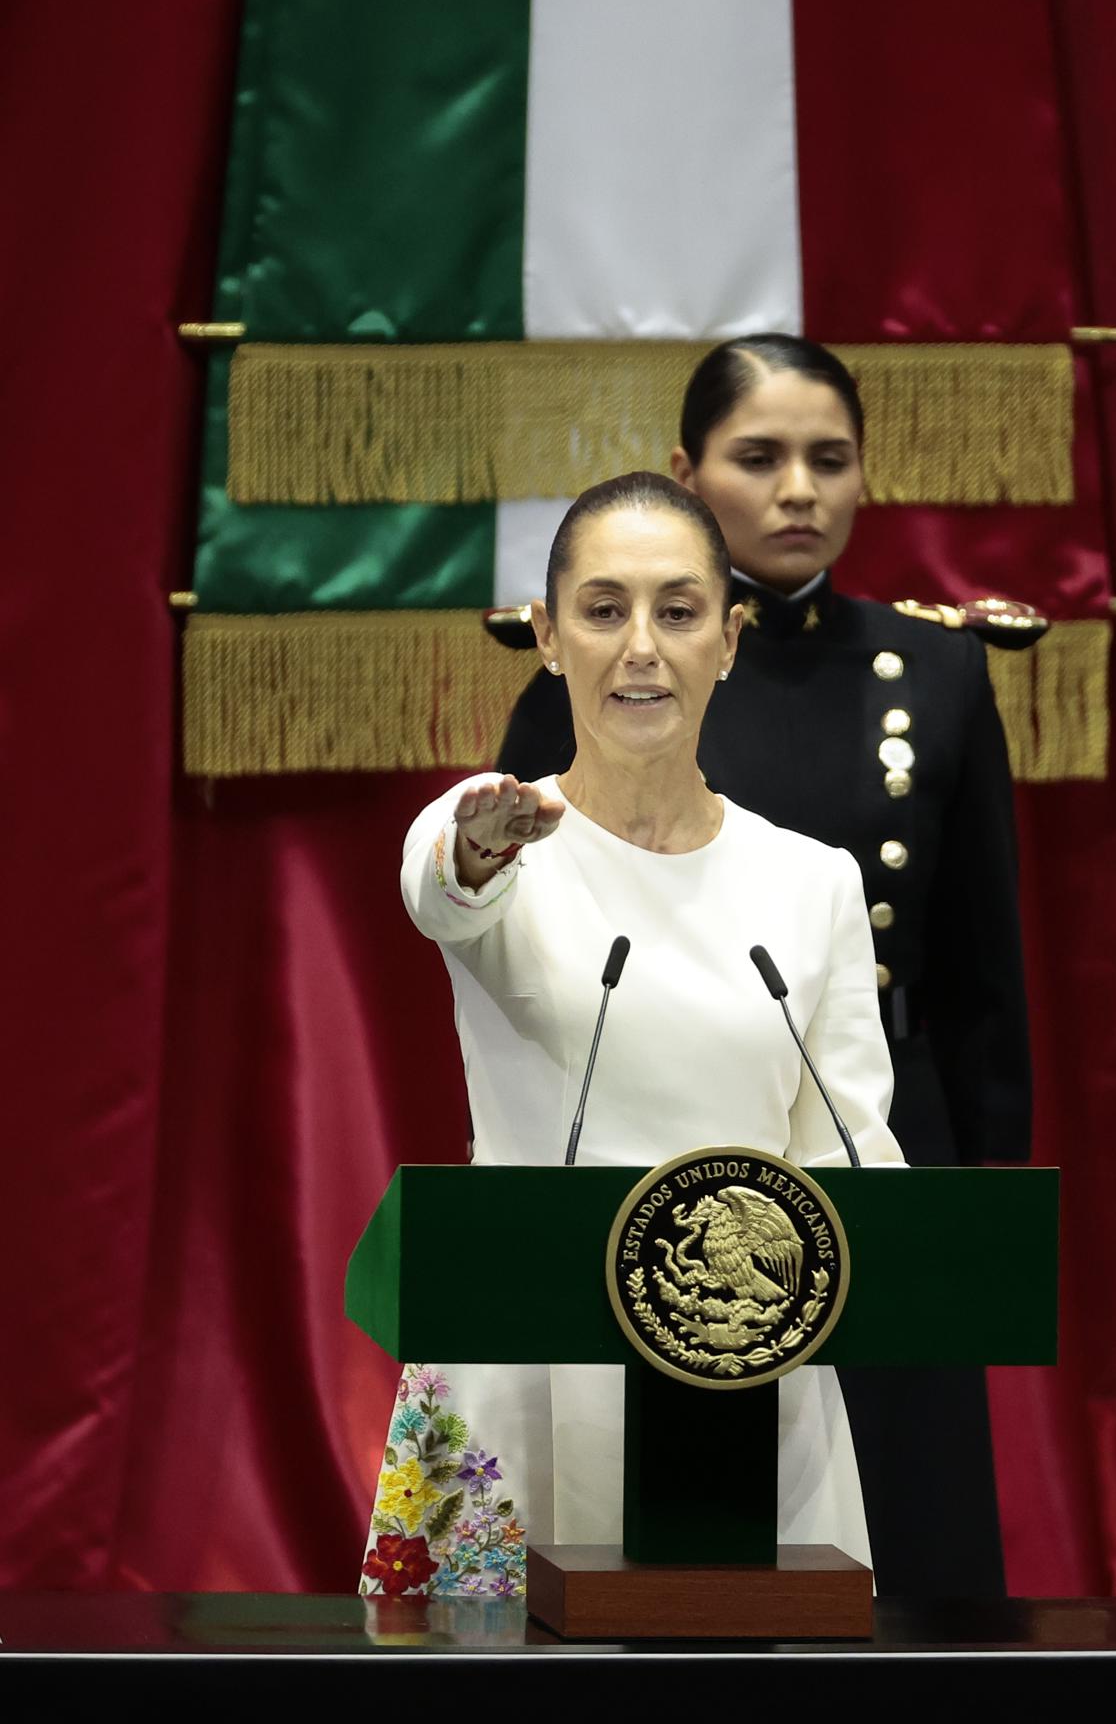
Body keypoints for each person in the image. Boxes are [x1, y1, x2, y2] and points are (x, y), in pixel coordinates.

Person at [495, 336, 1032, 1597]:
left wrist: (975, 1211)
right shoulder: (613, 674)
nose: (797, 489)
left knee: (900, 1559)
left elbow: (975, 976)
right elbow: (525, 931)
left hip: (869, 1153)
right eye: (759, 457)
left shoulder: (936, 672)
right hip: (647, 1172)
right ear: (688, 474)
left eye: (827, 460)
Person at [359, 471, 904, 1600]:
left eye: (677, 610)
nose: (641, 647)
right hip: (522, 1371)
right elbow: (440, 889)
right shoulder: (499, 834)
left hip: (748, 1380)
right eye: (603, 612)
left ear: (728, 640)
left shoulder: (813, 883)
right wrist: (478, 849)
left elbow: (852, 1156)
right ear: (549, 639)